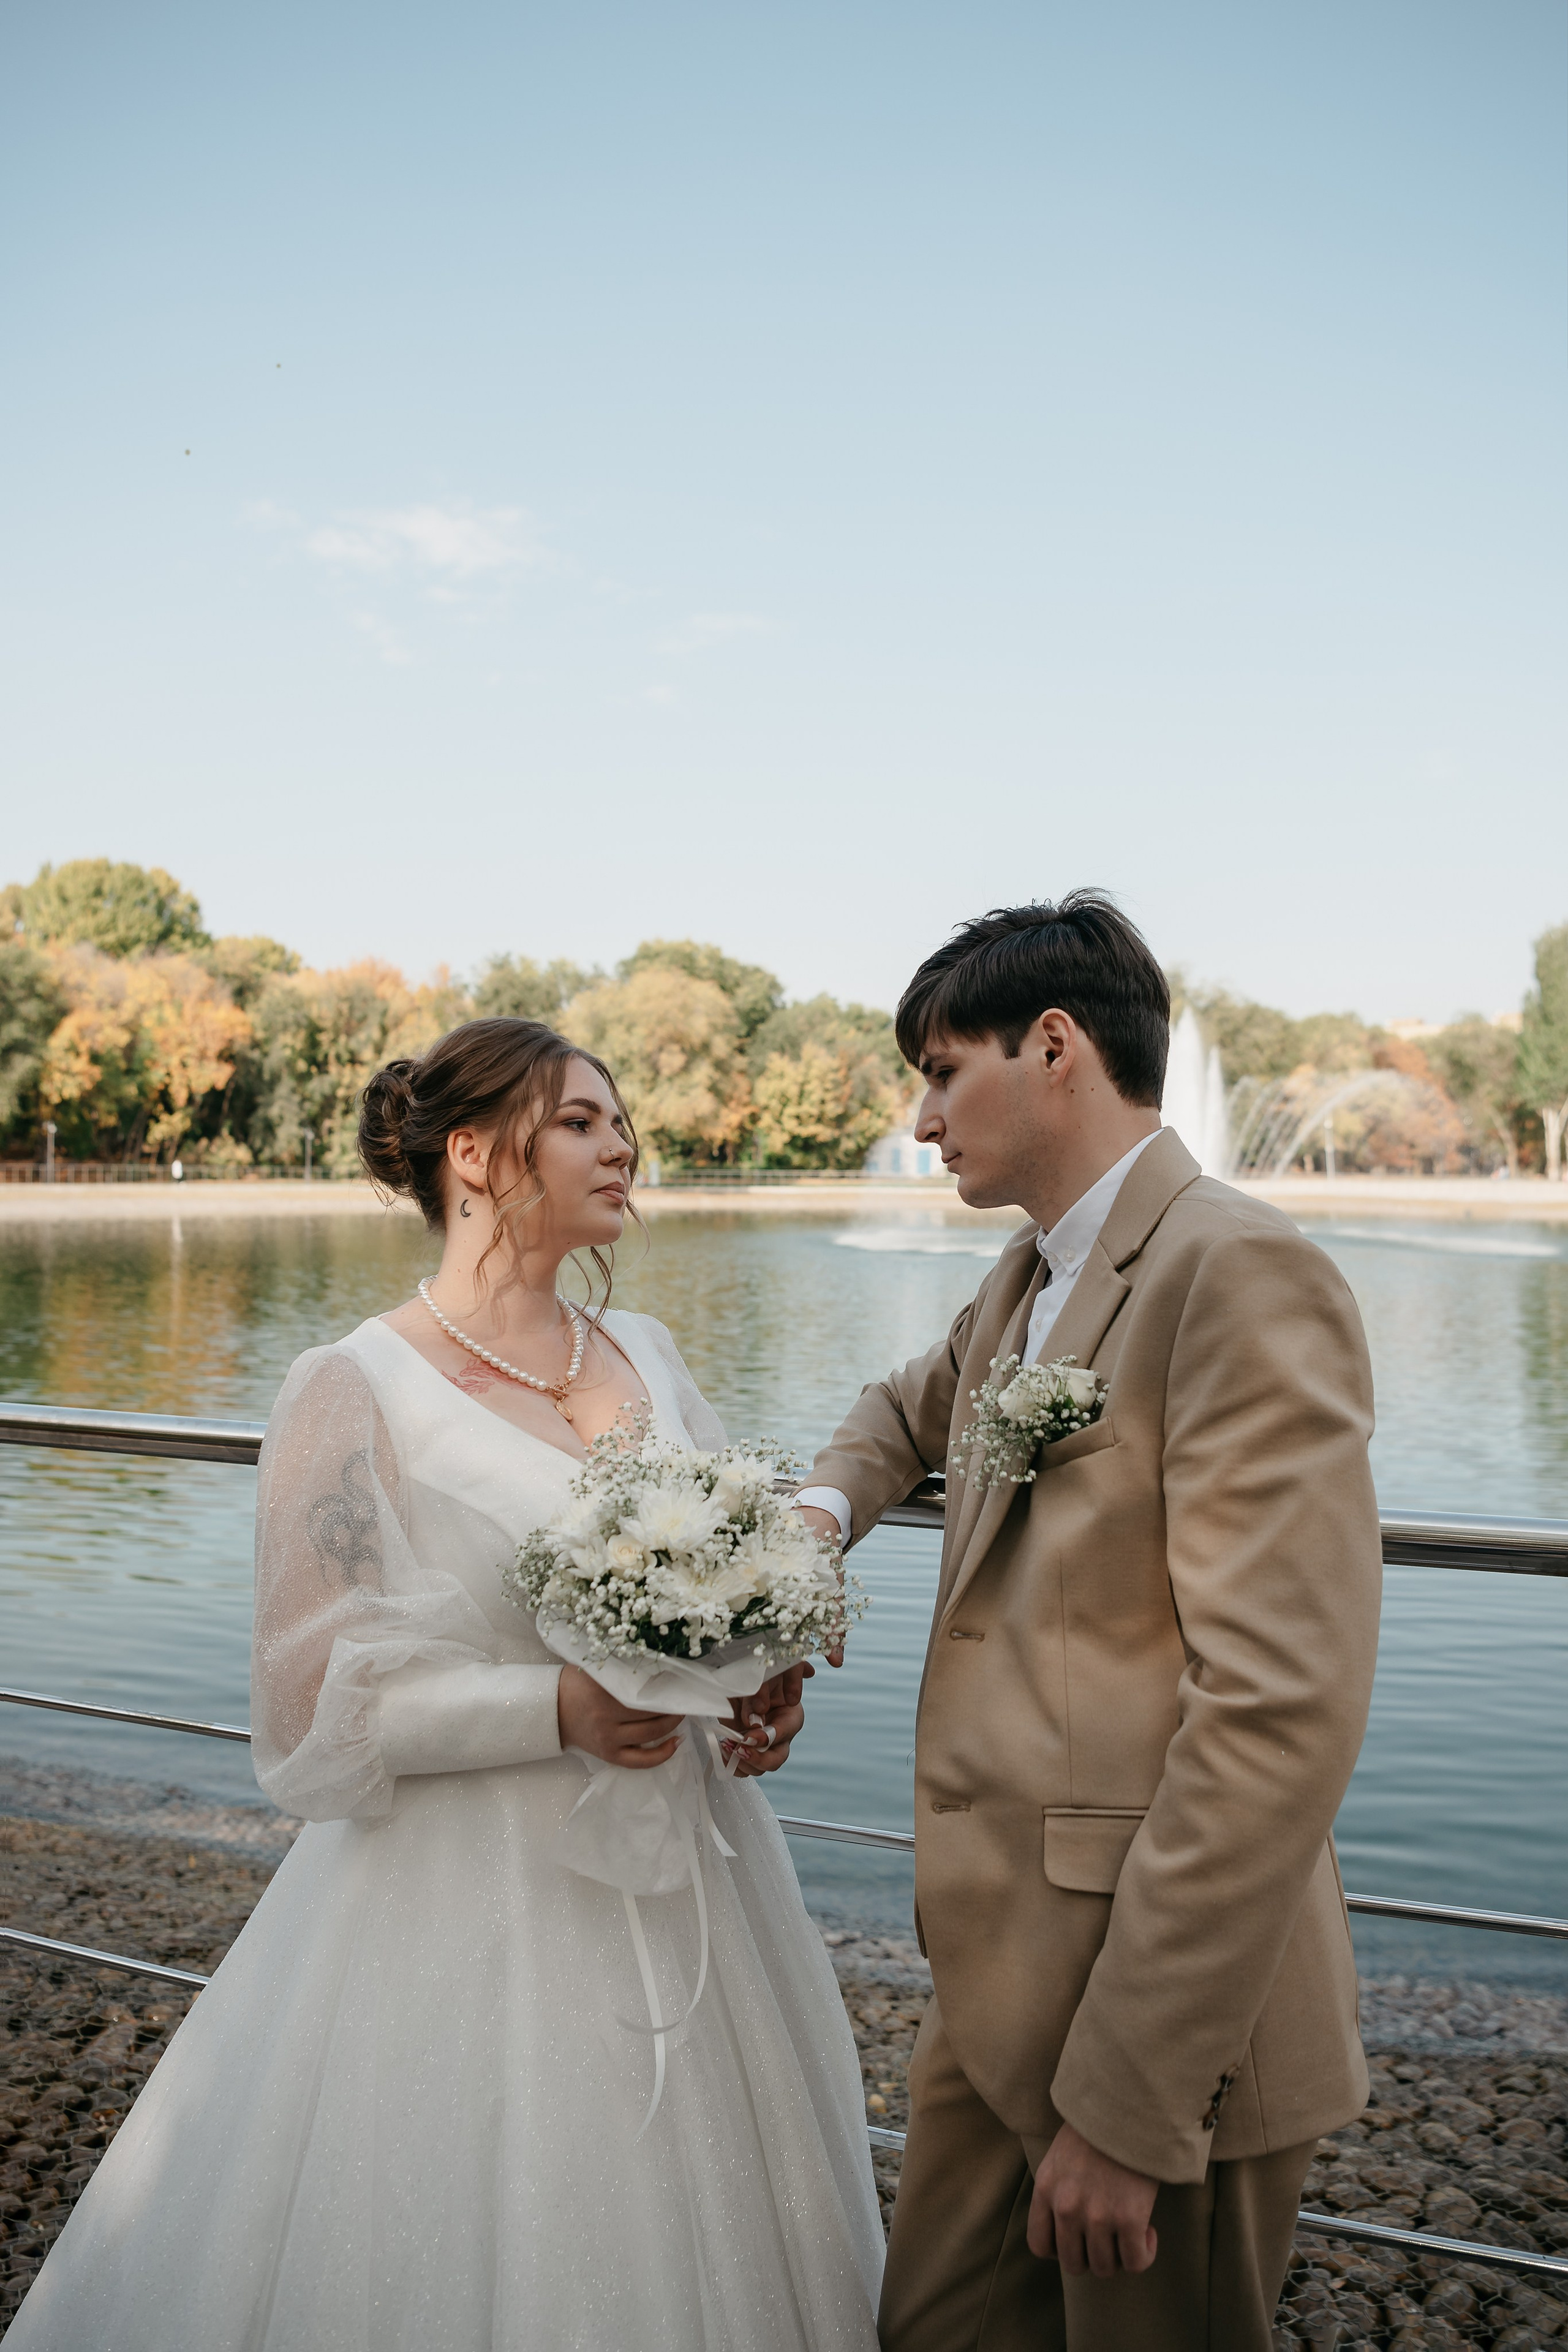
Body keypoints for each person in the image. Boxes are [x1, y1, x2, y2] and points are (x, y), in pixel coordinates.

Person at [9, 1017, 883, 2352]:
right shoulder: (351, 1390)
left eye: (616, 1116)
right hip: (472, 1892)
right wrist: (557, 1710)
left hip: (694, 1859)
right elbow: (311, 1718)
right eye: (581, 1120)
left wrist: (759, 1673)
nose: (621, 1143)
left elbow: (733, 1568)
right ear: (473, 1156)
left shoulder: (644, 1350)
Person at [794, 894, 1382, 2352]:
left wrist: (1129, 2104)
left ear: (1051, 1045)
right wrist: (815, 1521)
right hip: (993, 1996)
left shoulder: (1233, 1271)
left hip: (1154, 2028)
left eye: (941, 1072)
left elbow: (1275, 1712)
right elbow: (899, 1412)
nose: (921, 1121)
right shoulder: (1024, 1279)